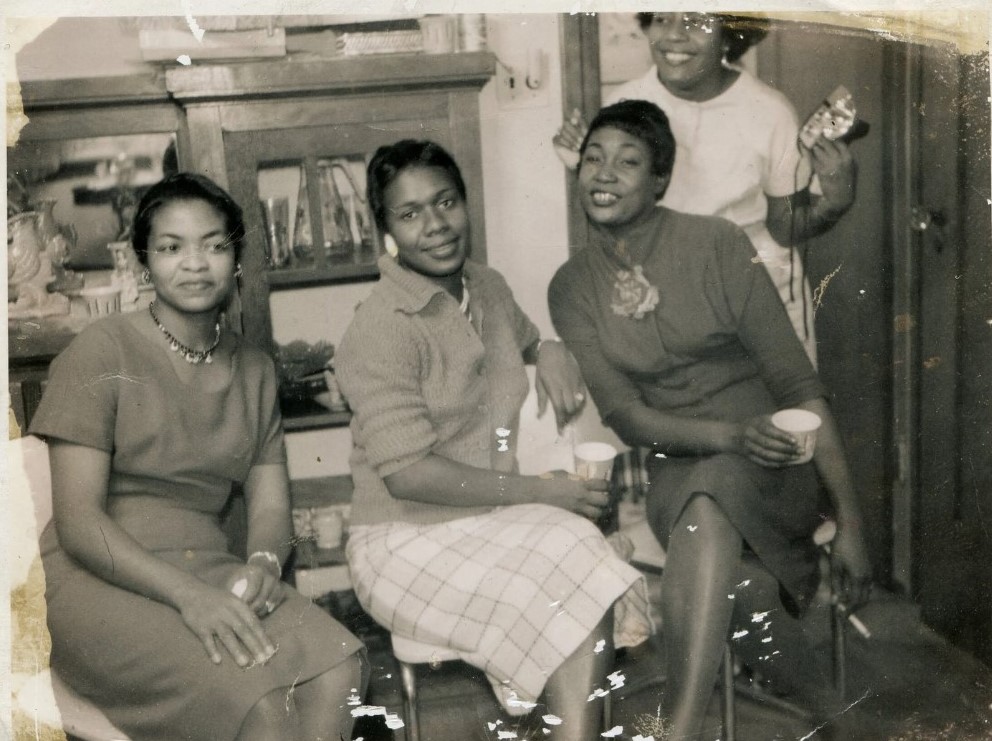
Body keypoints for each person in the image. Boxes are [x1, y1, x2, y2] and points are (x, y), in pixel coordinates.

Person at [548, 100, 872, 740]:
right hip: (679, 464)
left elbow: (798, 385)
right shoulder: (572, 286)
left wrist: (852, 524)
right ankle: (832, 716)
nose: (604, 175)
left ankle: (680, 730)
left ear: (660, 180)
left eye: (627, 162)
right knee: (732, 560)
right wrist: (728, 437)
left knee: (715, 515)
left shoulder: (719, 244)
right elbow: (629, 418)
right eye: (593, 159)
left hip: (776, 460)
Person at [29, 172, 367, 741]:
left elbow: (268, 508)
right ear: (144, 261)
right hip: (96, 578)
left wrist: (260, 563)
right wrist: (190, 598)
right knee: (257, 703)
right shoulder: (101, 349)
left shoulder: (256, 369)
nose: (194, 263)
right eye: (170, 247)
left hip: (208, 568)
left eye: (214, 244)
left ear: (236, 259)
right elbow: (80, 524)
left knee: (342, 669)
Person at [335, 140, 652, 740]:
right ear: (387, 232)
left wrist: (550, 349)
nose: (436, 226)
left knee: (581, 561)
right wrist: (538, 491)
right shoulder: (379, 328)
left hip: (488, 520)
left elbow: (523, 341)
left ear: (464, 204)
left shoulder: (486, 288)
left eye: (446, 202)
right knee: (581, 567)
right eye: (410, 214)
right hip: (402, 540)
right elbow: (408, 475)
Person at [554, 12, 859, 363]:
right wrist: (585, 163)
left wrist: (834, 203)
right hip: (664, 310)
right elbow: (614, 221)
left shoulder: (769, 113)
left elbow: (784, 228)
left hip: (757, 303)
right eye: (662, 19)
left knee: (778, 412)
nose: (674, 36)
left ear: (730, 32)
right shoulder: (624, 103)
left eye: (695, 22)